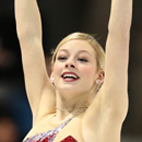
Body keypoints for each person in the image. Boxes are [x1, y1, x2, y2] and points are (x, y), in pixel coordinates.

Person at [15, 0, 133, 142]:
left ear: (101, 75)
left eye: (82, 59)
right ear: (52, 73)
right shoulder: (43, 110)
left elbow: (119, 34)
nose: (70, 63)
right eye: (62, 57)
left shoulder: (102, 117)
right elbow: (29, 37)